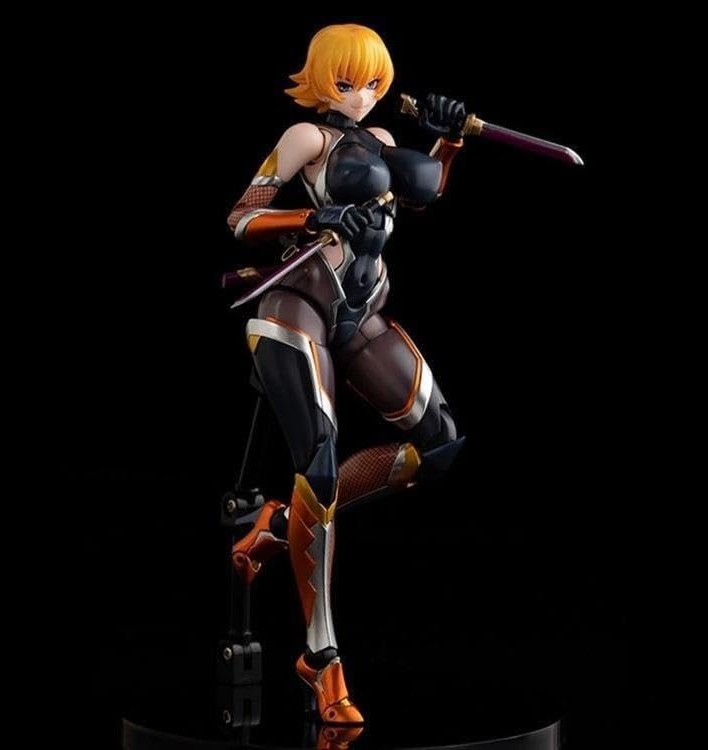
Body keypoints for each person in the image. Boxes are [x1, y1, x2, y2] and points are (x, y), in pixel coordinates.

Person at [226, 23, 466, 725]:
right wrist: (315, 214)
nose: (360, 95)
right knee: (321, 465)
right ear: (320, 79)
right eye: (346, 81)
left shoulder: (385, 141)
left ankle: (280, 524)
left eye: (372, 83)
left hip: (362, 314)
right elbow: (241, 217)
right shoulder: (307, 138)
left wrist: (449, 141)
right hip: (297, 304)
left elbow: (426, 193)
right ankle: (320, 658)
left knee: (439, 444)